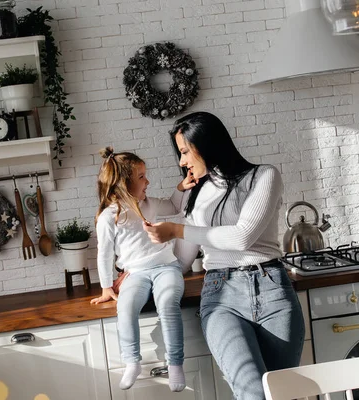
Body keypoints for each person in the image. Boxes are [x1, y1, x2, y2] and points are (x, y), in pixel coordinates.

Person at [143, 112, 305, 400]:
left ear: (205, 144)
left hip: (273, 291)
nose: (182, 162)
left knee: (283, 394)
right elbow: (181, 261)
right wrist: (136, 272)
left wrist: (178, 229)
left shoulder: (264, 176)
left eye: (184, 151)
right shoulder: (196, 196)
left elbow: (243, 237)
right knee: (253, 393)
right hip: (221, 298)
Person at [90, 147, 189, 392]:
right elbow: (104, 253)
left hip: (167, 268)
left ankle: (175, 364)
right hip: (136, 274)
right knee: (125, 306)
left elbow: (174, 207)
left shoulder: (150, 204)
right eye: (142, 176)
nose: (148, 181)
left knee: (167, 303)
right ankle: (131, 361)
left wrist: (182, 187)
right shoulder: (109, 217)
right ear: (124, 183)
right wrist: (105, 287)